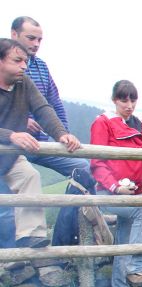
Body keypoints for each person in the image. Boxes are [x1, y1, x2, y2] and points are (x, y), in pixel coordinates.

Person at [0, 38, 80, 249]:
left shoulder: (23, 83)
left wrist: (61, 134)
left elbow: (43, 109)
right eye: (17, 61)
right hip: (7, 147)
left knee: (30, 176)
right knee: (4, 208)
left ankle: (31, 237)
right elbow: (12, 135)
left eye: (25, 61)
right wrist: (11, 135)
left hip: (8, 157)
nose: (24, 66)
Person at [90, 80, 142, 287]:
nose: (129, 105)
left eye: (133, 100)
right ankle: (135, 268)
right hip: (110, 192)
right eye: (123, 100)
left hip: (133, 193)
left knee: (124, 242)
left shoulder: (140, 125)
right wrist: (116, 187)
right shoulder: (103, 122)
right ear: (114, 100)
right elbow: (97, 162)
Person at [10, 17, 89, 177]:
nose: (36, 44)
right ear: (14, 35)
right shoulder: (4, 65)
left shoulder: (41, 67)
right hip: (9, 143)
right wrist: (19, 121)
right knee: (26, 178)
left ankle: (77, 203)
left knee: (82, 166)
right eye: (31, 38)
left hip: (39, 143)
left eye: (39, 40)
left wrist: (64, 134)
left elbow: (53, 104)